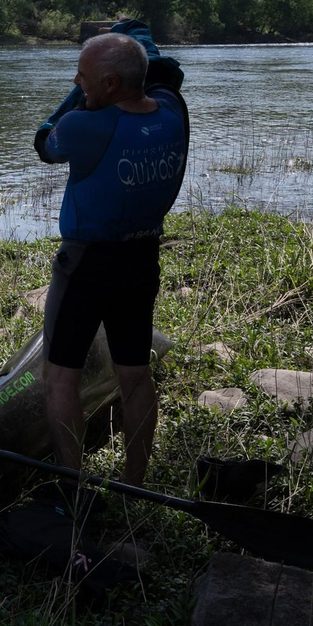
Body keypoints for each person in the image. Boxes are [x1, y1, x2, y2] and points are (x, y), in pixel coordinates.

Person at [32, 26, 189, 488]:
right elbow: (164, 75)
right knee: (135, 376)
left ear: (111, 84)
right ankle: (134, 485)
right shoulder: (173, 114)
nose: (76, 82)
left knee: (60, 378)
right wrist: (131, 40)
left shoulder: (84, 126)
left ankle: (71, 485)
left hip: (85, 267)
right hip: (141, 262)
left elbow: (44, 142)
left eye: (82, 77)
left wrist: (79, 98)